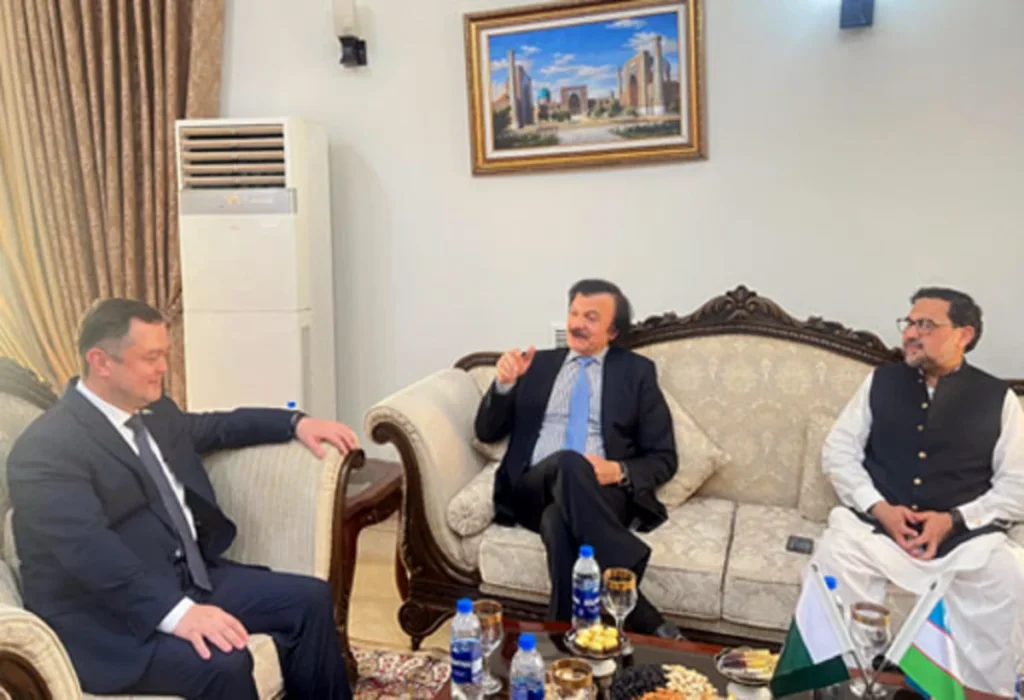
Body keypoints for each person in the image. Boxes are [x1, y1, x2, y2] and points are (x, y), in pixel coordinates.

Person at [7, 299, 356, 699]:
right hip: (107, 619)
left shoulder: (154, 413)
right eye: (150, 357)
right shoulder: (47, 448)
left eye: (164, 354)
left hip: (186, 578)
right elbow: (89, 552)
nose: (163, 367)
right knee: (225, 663)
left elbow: (218, 427)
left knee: (309, 600)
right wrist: (178, 614)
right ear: (101, 361)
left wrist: (295, 422)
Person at [810, 287, 1024, 694]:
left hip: (962, 540)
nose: (910, 334)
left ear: (964, 335)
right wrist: (879, 508)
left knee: (1008, 575)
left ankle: (977, 691)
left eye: (925, 325)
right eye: (908, 323)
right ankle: (847, 685)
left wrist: (954, 520)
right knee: (834, 557)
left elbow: (1018, 484)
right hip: (878, 531)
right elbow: (838, 452)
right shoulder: (881, 382)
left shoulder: (998, 399)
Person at [475, 279, 683, 638]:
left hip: (601, 495)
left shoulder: (636, 373)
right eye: (574, 314)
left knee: (558, 522)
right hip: (532, 489)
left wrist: (618, 470)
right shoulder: (536, 365)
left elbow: (664, 457)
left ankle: (563, 636)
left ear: (613, 331)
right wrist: (504, 385)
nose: (577, 324)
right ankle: (626, 578)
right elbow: (486, 431)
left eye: (591, 318)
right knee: (569, 462)